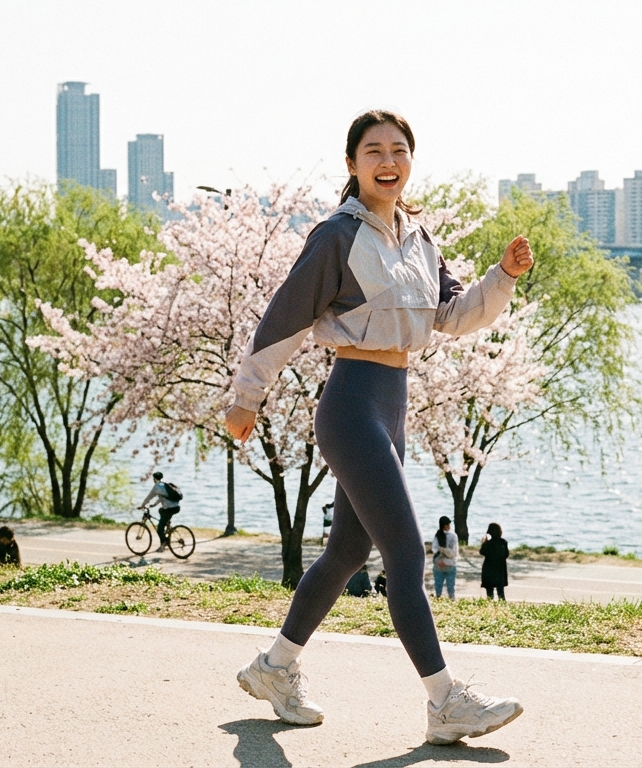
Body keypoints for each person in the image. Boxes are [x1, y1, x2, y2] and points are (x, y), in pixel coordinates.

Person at [227, 110, 530, 745]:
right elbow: (285, 317)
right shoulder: (337, 236)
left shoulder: (418, 239)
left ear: (410, 162)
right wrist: (246, 398)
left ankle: (275, 667)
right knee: (404, 552)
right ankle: (445, 702)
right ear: (352, 164)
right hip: (351, 404)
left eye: (398, 150)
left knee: (347, 551)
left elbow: (450, 314)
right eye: (373, 151)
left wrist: (501, 277)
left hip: (392, 402)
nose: (387, 160)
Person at [138, 472, 181, 553]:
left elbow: (149, 497)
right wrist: (154, 504)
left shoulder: (156, 487)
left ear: (154, 478)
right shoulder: (164, 485)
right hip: (176, 507)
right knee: (161, 510)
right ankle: (167, 525)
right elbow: (162, 497)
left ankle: (164, 543)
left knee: (159, 529)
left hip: (169, 509)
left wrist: (142, 505)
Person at [479, 523, 509, 601]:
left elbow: (482, 552)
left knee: (489, 593)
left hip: (488, 569)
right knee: (501, 593)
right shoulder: (503, 542)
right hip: (500, 569)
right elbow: (506, 554)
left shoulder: (488, 544)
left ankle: (490, 607)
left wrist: (484, 542)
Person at [432, 516, 458, 599]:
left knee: (438, 587)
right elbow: (454, 553)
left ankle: (438, 600)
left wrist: (441, 550)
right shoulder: (453, 536)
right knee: (451, 587)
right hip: (450, 564)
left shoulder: (437, 535)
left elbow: (434, 549)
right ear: (446, 525)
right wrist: (446, 550)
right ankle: (452, 601)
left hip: (438, 564)